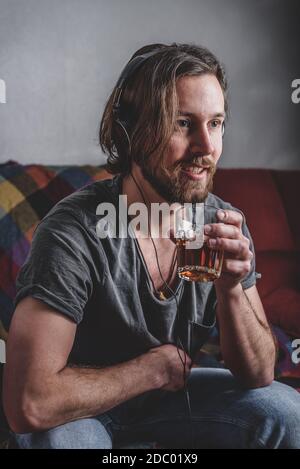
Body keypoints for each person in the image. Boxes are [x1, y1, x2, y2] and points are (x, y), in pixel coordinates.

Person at [3, 43, 300, 449]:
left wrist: (231, 288)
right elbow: (29, 403)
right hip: (78, 407)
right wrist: (150, 371)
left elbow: (259, 373)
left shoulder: (221, 222)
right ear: (133, 132)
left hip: (174, 401)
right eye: (183, 124)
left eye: (215, 124)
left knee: (287, 414)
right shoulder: (74, 231)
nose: (206, 147)